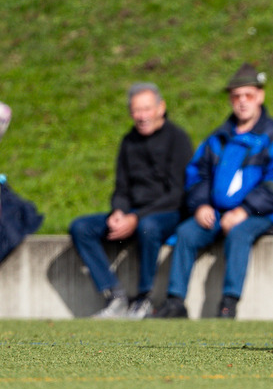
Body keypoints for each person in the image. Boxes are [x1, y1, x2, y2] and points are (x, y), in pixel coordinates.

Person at [150, 63, 273, 319]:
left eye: (248, 95)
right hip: (217, 213)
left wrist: (244, 210)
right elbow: (197, 174)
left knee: (239, 234)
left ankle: (228, 303)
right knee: (186, 233)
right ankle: (175, 301)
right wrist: (201, 205)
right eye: (236, 96)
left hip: (262, 213)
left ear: (260, 96)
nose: (242, 102)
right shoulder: (217, 137)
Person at [68, 83, 193, 318]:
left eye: (147, 109)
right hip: (133, 213)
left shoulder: (178, 138)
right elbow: (122, 188)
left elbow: (178, 193)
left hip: (168, 212)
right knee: (81, 227)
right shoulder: (129, 141)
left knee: (148, 226)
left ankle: (144, 297)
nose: (142, 116)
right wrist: (118, 211)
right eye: (136, 110)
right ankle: (114, 295)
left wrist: (136, 217)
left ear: (161, 108)